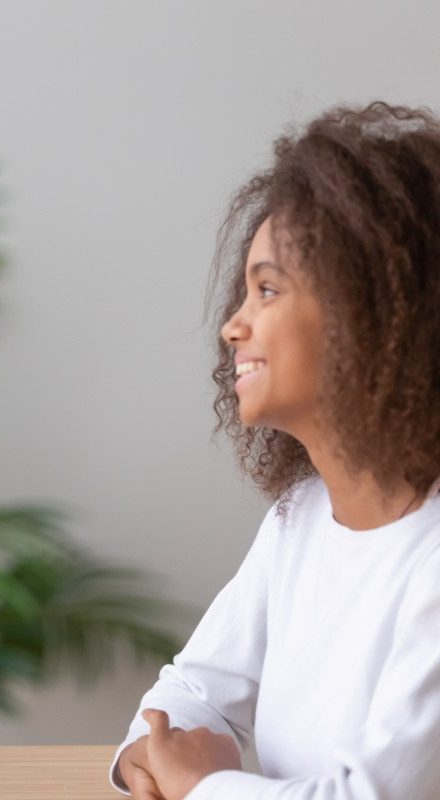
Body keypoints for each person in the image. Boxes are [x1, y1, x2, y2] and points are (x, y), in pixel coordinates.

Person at [112, 102, 440, 799]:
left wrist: (202, 786)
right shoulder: (301, 517)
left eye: (267, 289)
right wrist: (149, 755)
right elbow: (191, 692)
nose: (233, 325)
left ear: (374, 315)